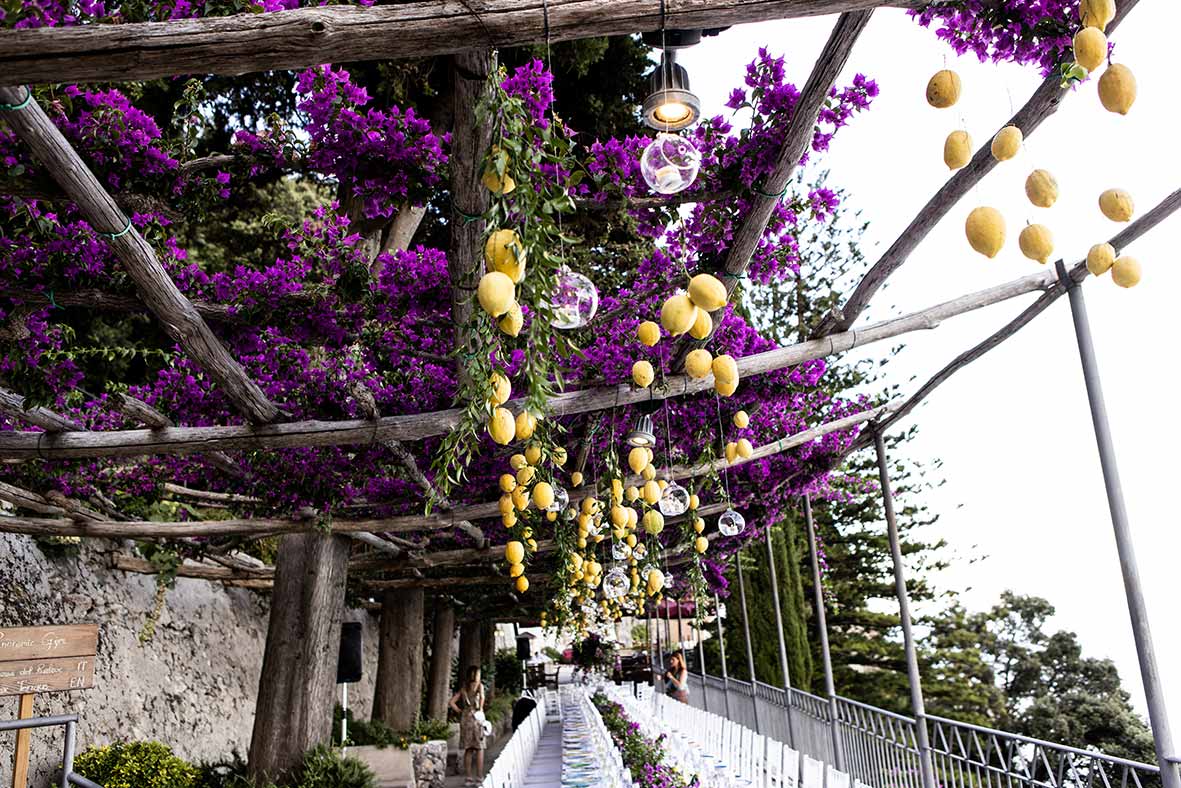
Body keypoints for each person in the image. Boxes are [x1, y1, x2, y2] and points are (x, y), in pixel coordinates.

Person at [449, 666, 487, 785]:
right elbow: (482, 698)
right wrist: (480, 709)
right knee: (479, 748)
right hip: (476, 718)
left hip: (465, 719)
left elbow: (451, 702)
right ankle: (479, 778)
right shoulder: (479, 686)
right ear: (476, 675)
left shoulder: (464, 688)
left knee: (469, 749)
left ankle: (468, 778)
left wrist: (460, 711)